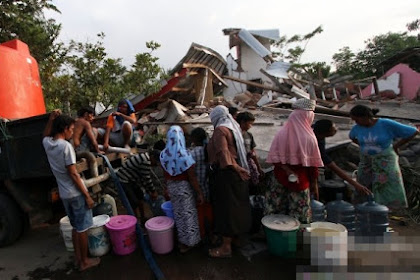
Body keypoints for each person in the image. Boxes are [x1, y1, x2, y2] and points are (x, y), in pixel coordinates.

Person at [42, 110, 100, 271]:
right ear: (65, 128)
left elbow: (45, 135)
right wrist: (87, 195)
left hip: (65, 194)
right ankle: (84, 262)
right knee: (82, 229)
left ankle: (78, 259)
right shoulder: (65, 146)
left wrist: (51, 119)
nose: (73, 132)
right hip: (76, 193)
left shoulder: (48, 143)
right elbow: (73, 174)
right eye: (72, 129)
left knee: (76, 227)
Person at [349, 104, 419, 209]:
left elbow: (413, 132)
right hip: (367, 160)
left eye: (357, 120)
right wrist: (365, 146)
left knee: (388, 183)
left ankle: (387, 207)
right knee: (363, 182)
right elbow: (352, 137)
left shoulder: (385, 124)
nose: (356, 123)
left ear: (365, 117)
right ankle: (362, 206)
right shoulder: (357, 128)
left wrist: (396, 146)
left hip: (385, 158)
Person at [265, 98, 324, 224]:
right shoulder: (309, 137)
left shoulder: (281, 133)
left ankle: (273, 237)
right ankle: (297, 240)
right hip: (300, 181)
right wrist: (314, 184)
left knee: (275, 210)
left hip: (279, 178)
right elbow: (313, 166)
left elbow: (275, 158)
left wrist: (286, 170)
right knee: (298, 214)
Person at [207, 105, 251, 258]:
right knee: (238, 207)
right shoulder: (233, 128)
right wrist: (241, 170)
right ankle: (238, 240)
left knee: (227, 210)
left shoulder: (220, 130)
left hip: (227, 174)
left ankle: (226, 247)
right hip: (238, 174)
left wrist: (237, 169)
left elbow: (223, 153)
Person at [160, 126, 204, 253]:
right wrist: (199, 193)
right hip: (184, 189)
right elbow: (192, 178)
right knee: (188, 215)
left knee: (178, 216)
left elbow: (164, 175)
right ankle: (190, 243)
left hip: (172, 187)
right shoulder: (185, 156)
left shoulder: (164, 155)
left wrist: (166, 188)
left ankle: (182, 242)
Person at [313, 119, 371, 196]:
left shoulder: (320, 138)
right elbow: (332, 166)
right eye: (334, 128)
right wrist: (355, 184)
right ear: (327, 132)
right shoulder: (314, 142)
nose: (336, 129)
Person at [116, 150, 157, 223]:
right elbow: (147, 178)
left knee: (140, 197)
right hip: (124, 180)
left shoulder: (144, 156)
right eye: (155, 161)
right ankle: (135, 223)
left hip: (132, 179)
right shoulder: (146, 161)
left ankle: (143, 218)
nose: (154, 164)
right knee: (133, 202)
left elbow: (143, 178)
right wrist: (153, 191)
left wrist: (147, 191)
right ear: (152, 157)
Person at [236, 111, 264, 186]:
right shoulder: (234, 135)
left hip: (248, 164)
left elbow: (252, 152)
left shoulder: (249, 135)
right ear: (242, 122)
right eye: (250, 124)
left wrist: (258, 167)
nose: (250, 126)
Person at [189, 127, 210, 201]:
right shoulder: (209, 151)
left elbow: (191, 176)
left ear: (193, 139)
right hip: (208, 189)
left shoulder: (192, 154)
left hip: (196, 190)